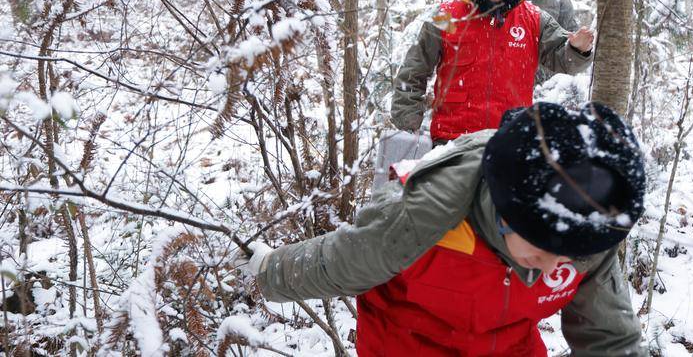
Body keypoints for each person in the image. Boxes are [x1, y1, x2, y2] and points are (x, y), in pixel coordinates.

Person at [245, 102, 648, 356]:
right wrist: (266, 271)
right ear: (507, 211)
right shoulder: (426, 216)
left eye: (569, 256)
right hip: (406, 344)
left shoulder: (589, 235)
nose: (552, 269)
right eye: (542, 248)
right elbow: (340, 261)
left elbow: (610, 340)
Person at [391, 0, 595, 143]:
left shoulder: (533, 19)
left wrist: (578, 49)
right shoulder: (447, 16)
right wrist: (409, 124)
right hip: (452, 141)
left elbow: (565, 59)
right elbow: (413, 71)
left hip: (511, 141)